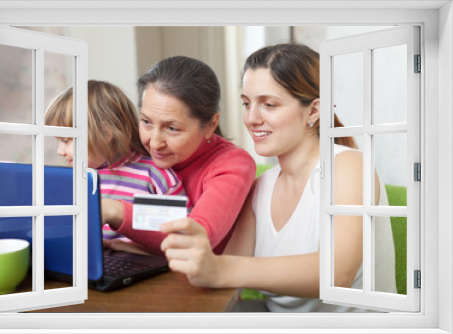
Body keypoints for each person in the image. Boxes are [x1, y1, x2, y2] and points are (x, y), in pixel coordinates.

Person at [159, 44, 397, 312]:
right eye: (247, 103)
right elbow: (218, 272)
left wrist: (220, 268)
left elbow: (336, 273)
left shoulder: (350, 166)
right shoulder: (261, 186)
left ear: (314, 111)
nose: (251, 118)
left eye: (268, 104)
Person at [101, 56, 257, 256]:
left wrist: (117, 211)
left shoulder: (233, 164)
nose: (154, 142)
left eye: (172, 128)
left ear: (210, 125)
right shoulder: (134, 152)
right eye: (146, 122)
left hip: (195, 284)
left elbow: (197, 235)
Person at [44, 80, 186, 238]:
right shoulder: (75, 180)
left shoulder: (155, 175)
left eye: (66, 141)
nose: (60, 151)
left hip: (143, 260)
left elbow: (182, 232)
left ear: (105, 133)